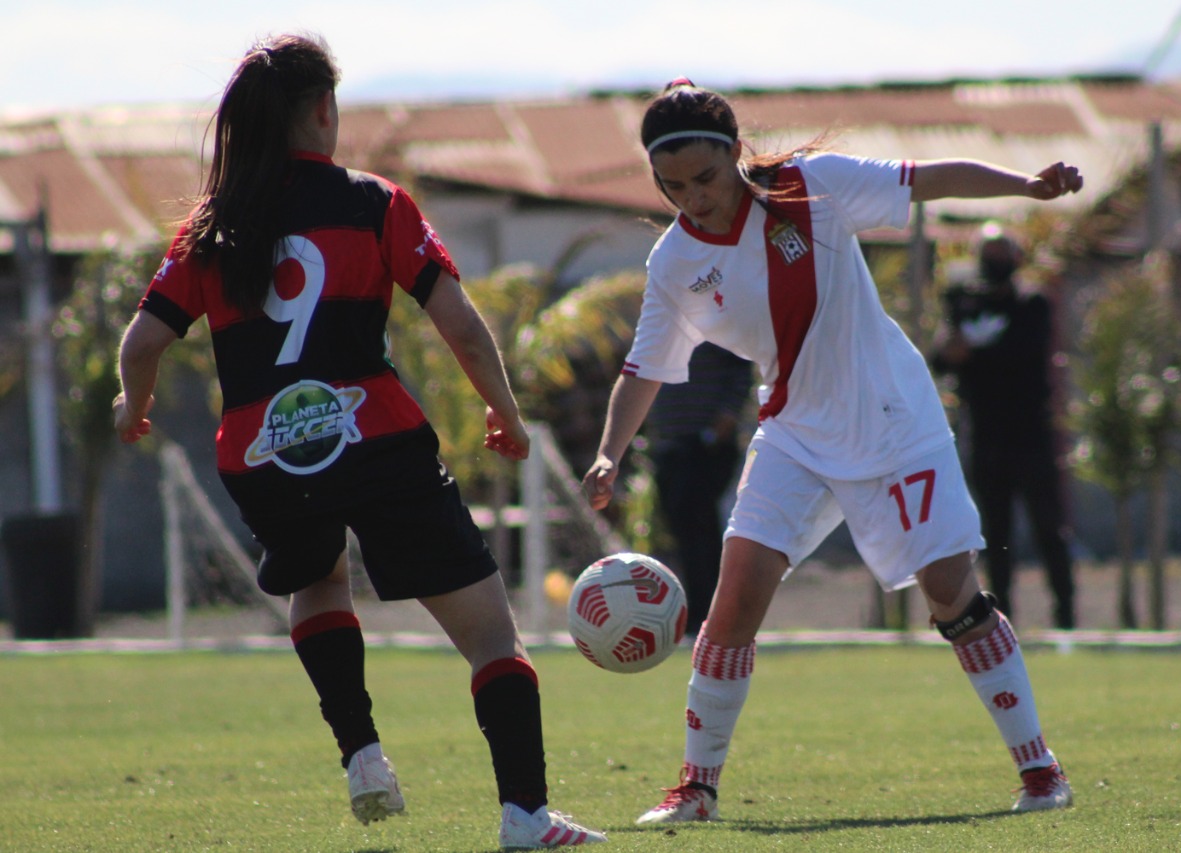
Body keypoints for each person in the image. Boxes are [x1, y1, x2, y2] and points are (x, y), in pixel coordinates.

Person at [112, 33, 605, 850]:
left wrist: (136, 404)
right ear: (322, 111)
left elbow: (141, 342)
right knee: (490, 634)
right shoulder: (375, 203)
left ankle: (363, 753)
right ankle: (526, 817)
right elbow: (464, 330)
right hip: (374, 438)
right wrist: (506, 415)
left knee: (317, 580)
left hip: (264, 453)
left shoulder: (212, 228)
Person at [582, 79, 1079, 825]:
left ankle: (1040, 769)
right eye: (674, 185)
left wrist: (1024, 186)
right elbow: (643, 367)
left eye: (707, 179)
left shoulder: (810, 188)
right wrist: (607, 454)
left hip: (892, 418)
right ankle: (695, 787)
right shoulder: (673, 262)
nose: (694, 198)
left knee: (952, 592)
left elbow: (927, 177)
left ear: (737, 155)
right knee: (733, 600)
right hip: (795, 432)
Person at [933, 225, 1076, 629]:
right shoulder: (967, 304)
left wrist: (971, 356)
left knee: (1049, 527)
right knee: (996, 534)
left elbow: (1021, 356)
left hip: (1032, 435)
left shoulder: (1032, 303)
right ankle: (1003, 617)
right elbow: (941, 357)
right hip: (987, 436)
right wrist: (953, 348)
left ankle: (1065, 615)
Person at [647, 342, 754, 638]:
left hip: (704, 444)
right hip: (669, 444)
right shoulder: (663, 318)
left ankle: (711, 615)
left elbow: (741, 370)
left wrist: (724, 420)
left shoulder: (716, 314)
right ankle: (698, 613)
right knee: (683, 530)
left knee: (700, 528)